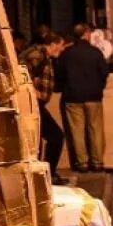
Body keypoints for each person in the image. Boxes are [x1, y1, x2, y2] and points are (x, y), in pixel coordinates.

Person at [55, 23, 111, 173]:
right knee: (96, 129)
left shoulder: (67, 53)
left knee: (77, 130)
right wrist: (99, 86)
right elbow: (104, 72)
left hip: (73, 97)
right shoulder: (95, 52)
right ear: (86, 33)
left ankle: (82, 163)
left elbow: (59, 74)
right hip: (93, 96)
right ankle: (97, 162)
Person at [20, 31, 68, 184]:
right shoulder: (37, 55)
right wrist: (32, 90)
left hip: (36, 103)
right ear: (52, 44)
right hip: (32, 103)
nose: (61, 50)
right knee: (56, 136)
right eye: (60, 47)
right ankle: (48, 175)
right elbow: (21, 72)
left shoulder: (44, 56)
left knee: (39, 140)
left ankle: (44, 175)